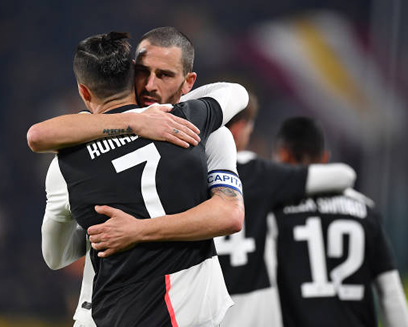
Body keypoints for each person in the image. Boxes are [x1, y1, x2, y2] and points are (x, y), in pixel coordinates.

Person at [41, 30, 248, 326]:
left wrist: (137, 229)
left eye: (164, 75)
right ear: (129, 75)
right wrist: (133, 121)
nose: (150, 85)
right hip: (115, 308)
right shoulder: (195, 123)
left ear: (188, 82)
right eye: (142, 72)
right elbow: (235, 92)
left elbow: (229, 213)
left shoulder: (70, 158)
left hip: (158, 307)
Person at [216, 96, 357, 327]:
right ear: (240, 128)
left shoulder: (191, 171)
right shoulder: (261, 173)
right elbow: (344, 176)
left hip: (206, 307)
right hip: (257, 310)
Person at [269, 117, 408, 327]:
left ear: (282, 155)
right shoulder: (364, 210)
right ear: (324, 158)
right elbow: (390, 291)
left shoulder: (274, 211)